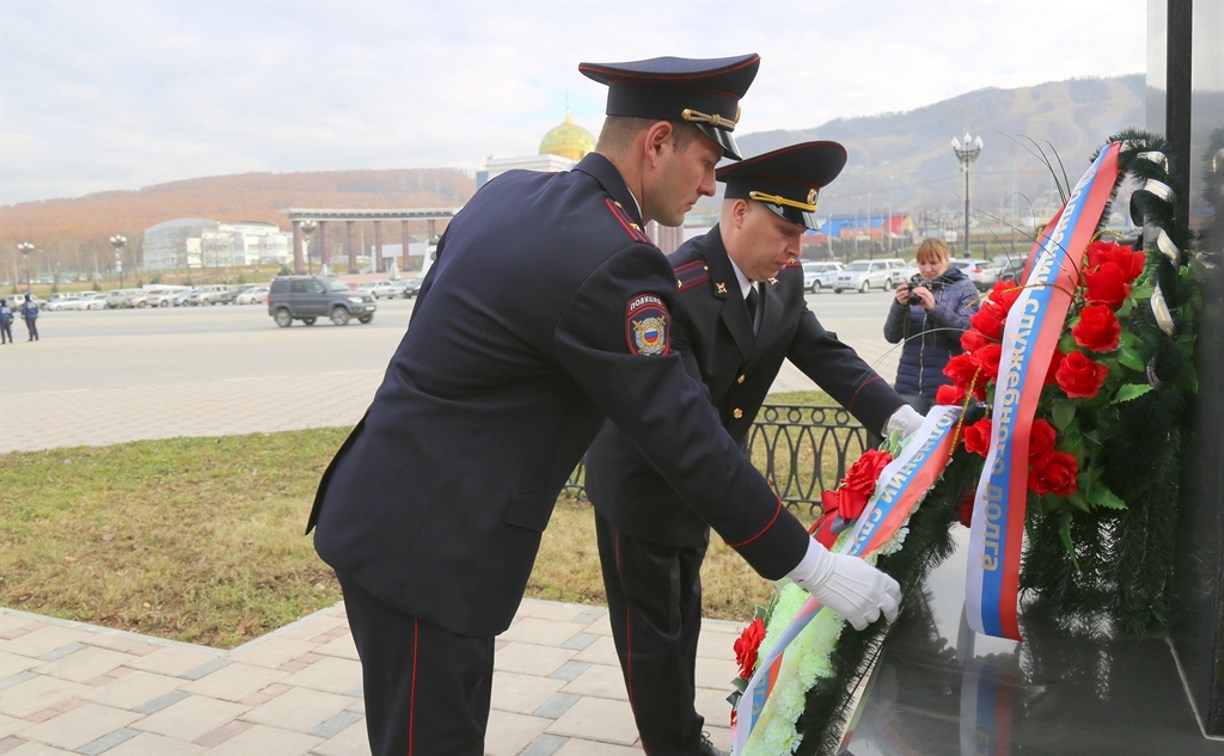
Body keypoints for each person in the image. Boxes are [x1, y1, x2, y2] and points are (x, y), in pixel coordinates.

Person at [306, 54, 901, 756]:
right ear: (656, 144)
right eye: (707, 161)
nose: (712, 185)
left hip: (396, 511)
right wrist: (815, 567)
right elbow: (683, 432)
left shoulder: (509, 196)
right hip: (430, 546)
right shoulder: (614, 257)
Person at [584, 142, 924, 756]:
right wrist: (811, 565)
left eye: (802, 232)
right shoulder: (673, 288)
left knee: (683, 615)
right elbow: (686, 432)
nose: (797, 249)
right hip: (644, 481)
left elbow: (823, 353)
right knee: (652, 635)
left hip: (710, 486)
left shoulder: (780, 280)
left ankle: (679, 731)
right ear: (738, 214)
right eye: (785, 230)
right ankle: (676, 745)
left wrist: (900, 417)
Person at [883, 237, 979, 412]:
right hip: (910, 384)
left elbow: (967, 334)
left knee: (943, 439)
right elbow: (891, 335)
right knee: (908, 437)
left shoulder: (963, 289)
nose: (927, 269)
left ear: (946, 260)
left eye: (934, 263)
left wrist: (934, 308)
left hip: (948, 385)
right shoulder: (914, 287)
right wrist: (899, 305)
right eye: (922, 263)